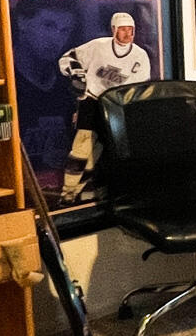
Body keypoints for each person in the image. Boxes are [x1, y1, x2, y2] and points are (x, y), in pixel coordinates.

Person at [59, 12, 153, 204]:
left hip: (116, 105)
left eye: (131, 29)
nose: (128, 34)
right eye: (123, 29)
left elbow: (139, 89)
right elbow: (67, 58)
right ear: (113, 30)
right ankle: (67, 192)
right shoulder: (98, 46)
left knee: (99, 151)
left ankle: (79, 191)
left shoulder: (140, 56)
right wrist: (76, 73)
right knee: (81, 148)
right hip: (91, 100)